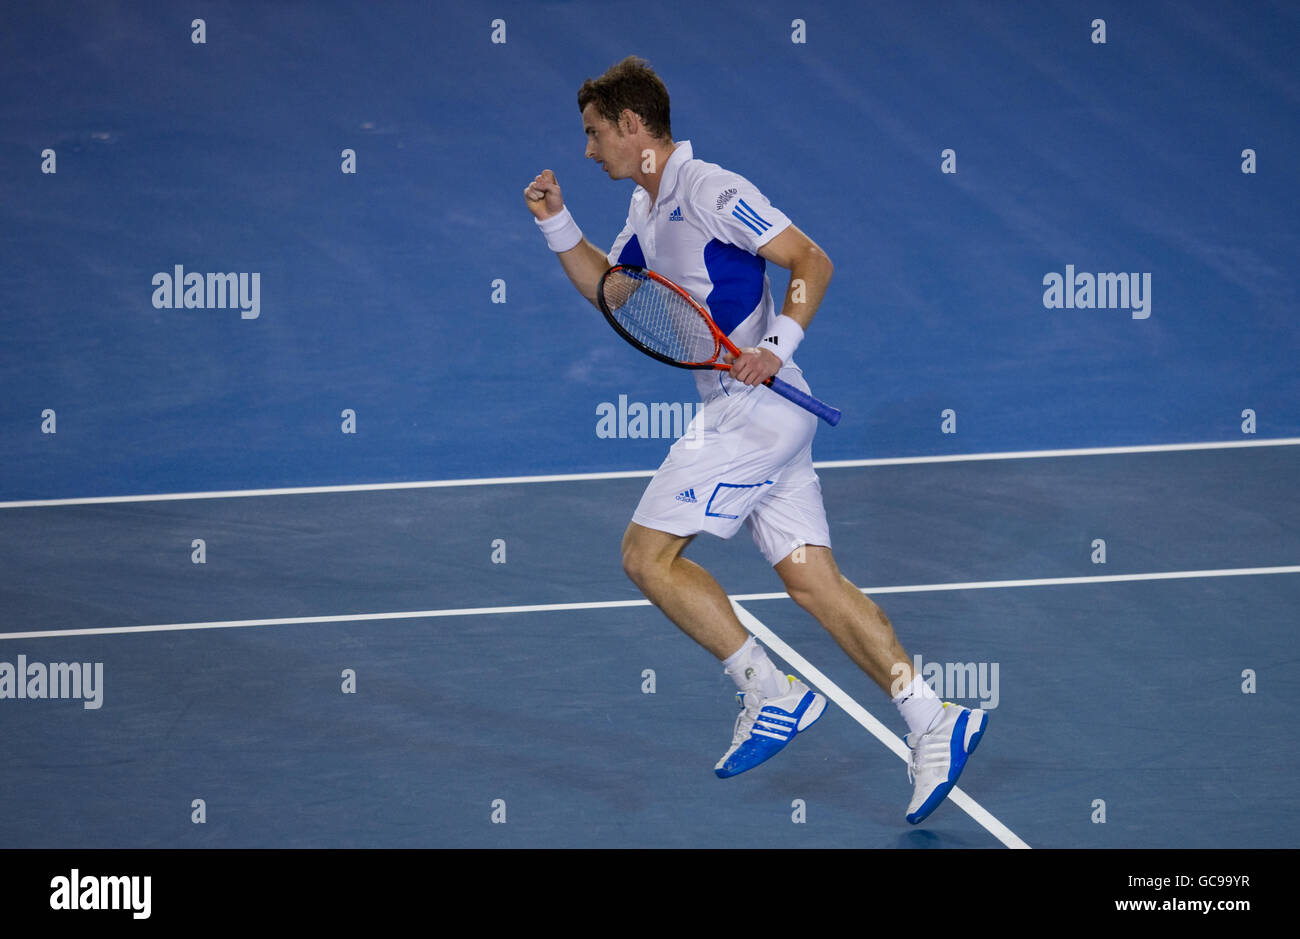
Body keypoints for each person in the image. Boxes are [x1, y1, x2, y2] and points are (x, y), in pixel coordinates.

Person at [523, 56, 985, 824]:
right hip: (767, 415)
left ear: (633, 127)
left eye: (595, 132)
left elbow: (812, 259)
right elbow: (611, 291)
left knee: (645, 555)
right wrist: (554, 223)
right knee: (813, 583)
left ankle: (769, 691)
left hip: (754, 408)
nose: (586, 148)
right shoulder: (645, 207)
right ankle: (934, 717)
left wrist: (777, 341)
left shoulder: (711, 190)